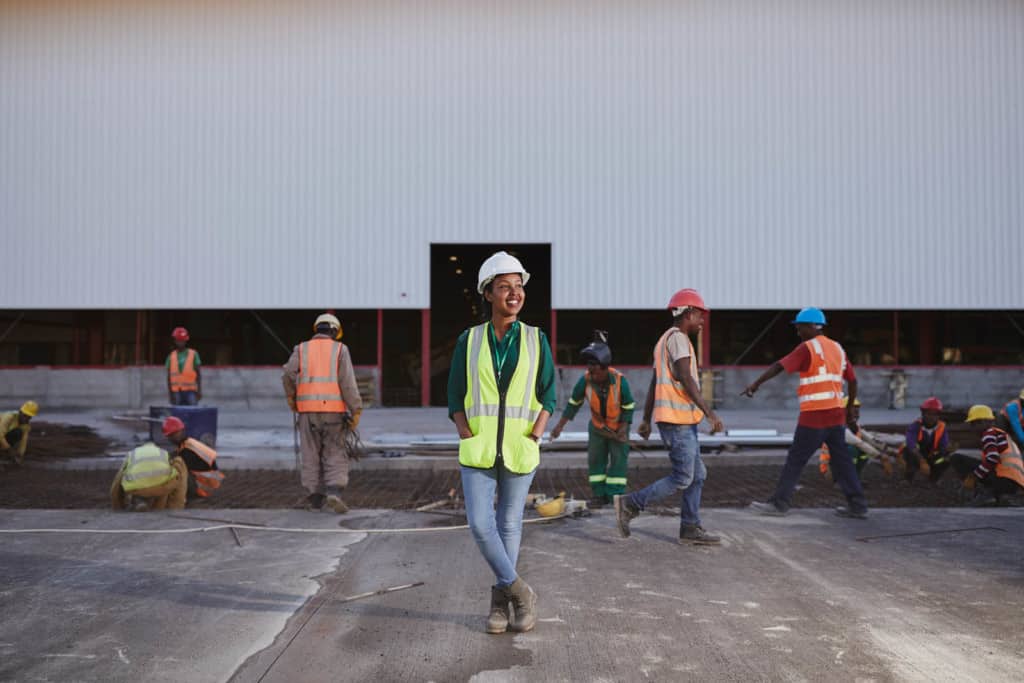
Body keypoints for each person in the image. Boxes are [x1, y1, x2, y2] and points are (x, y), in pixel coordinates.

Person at [447, 251, 556, 634]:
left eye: (518, 286)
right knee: (480, 524)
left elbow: (549, 393)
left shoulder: (535, 338)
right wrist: (464, 427)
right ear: (488, 293)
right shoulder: (470, 339)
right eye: (504, 287)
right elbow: (455, 393)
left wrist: (537, 431)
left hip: (519, 446)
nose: (513, 293)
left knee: (509, 525)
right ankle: (521, 592)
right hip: (478, 448)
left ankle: (499, 606)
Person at [613, 288, 724, 546]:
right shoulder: (678, 339)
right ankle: (630, 504)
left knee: (697, 475)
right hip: (678, 422)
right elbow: (685, 378)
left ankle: (690, 527)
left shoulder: (664, 341)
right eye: (700, 316)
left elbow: (655, 383)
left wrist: (645, 418)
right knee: (683, 476)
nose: (702, 321)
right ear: (689, 313)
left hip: (679, 420)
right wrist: (710, 412)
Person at [742, 307, 868, 519]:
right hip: (836, 416)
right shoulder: (838, 348)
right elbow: (853, 381)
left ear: (811, 326)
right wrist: (848, 411)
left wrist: (755, 384)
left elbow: (779, 366)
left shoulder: (808, 348)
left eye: (799, 327)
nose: (798, 332)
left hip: (814, 417)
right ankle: (858, 505)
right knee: (842, 460)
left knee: (796, 460)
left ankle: (779, 504)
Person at [282, 313, 363, 514]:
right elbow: (348, 383)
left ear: (316, 329)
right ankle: (334, 491)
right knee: (334, 451)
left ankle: (315, 497)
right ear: (335, 331)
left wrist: (292, 398)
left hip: (307, 412)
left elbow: (287, 374)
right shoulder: (340, 350)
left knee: (310, 453)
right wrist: (356, 409)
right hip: (334, 413)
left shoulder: (301, 349)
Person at [549, 331, 635, 508]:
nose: (592, 375)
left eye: (595, 372)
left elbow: (628, 406)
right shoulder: (586, 380)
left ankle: (615, 497)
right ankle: (599, 496)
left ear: (605, 368)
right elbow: (573, 403)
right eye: (590, 371)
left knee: (618, 465)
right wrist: (559, 427)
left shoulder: (620, 382)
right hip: (597, 429)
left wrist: (623, 429)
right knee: (596, 463)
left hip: (618, 429)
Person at [950, 405, 1024, 504]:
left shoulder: (988, 434)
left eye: (973, 424)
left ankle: (983, 492)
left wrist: (974, 477)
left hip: (1003, 480)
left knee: (956, 458)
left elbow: (992, 458)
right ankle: (993, 494)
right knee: (984, 465)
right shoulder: (1000, 434)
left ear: (983, 422)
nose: (972, 428)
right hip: (1013, 484)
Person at [818, 398, 898, 479]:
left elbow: (872, 440)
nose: (857, 414)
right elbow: (859, 443)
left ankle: (855, 478)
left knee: (863, 453)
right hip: (830, 470)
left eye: (857, 411)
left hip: (837, 464)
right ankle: (843, 481)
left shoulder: (854, 427)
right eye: (854, 411)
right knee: (852, 449)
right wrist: (881, 457)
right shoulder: (839, 428)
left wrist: (894, 452)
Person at [110, 441, 188, 511]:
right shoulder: (163, 453)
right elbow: (174, 477)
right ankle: (163, 508)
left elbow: (117, 482)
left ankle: (139, 501)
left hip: (135, 489)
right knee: (175, 469)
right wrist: (176, 507)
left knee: (138, 485)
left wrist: (117, 506)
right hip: (160, 489)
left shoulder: (132, 454)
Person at [161, 416, 225, 500]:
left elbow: (180, 465)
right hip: (211, 481)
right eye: (170, 435)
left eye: (175, 434)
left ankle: (186, 496)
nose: (172, 437)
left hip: (207, 486)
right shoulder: (188, 443)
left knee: (177, 471)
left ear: (182, 430)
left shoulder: (188, 450)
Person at [897, 397, 952, 483]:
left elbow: (943, 446)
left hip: (931, 456)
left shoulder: (941, 427)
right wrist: (922, 461)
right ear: (923, 414)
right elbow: (911, 445)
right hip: (916, 456)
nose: (931, 417)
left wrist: (947, 450)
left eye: (934, 414)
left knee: (947, 457)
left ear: (938, 415)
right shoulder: (915, 426)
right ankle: (908, 478)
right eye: (929, 414)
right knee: (908, 450)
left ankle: (934, 478)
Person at [166, 327, 202, 406]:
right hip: (176, 392)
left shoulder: (194, 354)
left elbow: (198, 374)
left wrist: (199, 391)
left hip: (191, 392)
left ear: (186, 341)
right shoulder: (171, 356)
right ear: (175, 341)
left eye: (182, 341)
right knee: (177, 416)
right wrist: (170, 394)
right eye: (178, 340)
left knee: (192, 414)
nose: (180, 343)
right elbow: (168, 377)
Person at [0, 401, 38, 466]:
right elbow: (0, 435)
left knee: (18, 433)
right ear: (20, 412)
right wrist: (9, 450)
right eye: (25, 416)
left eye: (29, 417)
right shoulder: (9, 417)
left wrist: (19, 455)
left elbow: (23, 442)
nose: (26, 419)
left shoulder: (26, 426)